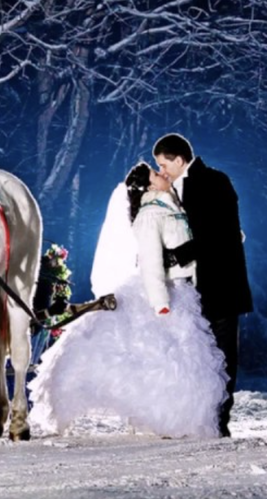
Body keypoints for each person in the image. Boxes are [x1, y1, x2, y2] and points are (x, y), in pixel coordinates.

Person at [28, 162, 227, 439]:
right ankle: (163, 419)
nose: (163, 174)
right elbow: (150, 261)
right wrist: (160, 302)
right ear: (147, 187)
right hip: (161, 293)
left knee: (172, 360)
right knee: (158, 357)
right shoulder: (150, 214)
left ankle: (170, 420)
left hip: (181, 290)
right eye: (156, 174)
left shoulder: (170, 206)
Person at [153, 133, 252, 438]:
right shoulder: (183, 186)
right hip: (197, 288)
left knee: (221, 357)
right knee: (197, 354)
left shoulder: (213, 181)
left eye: (163, 164)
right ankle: (197, 419)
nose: (161, 171)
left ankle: (218, 422)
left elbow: (216, 234)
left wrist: (173, 255)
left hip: (221, 285)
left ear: (179, 160)